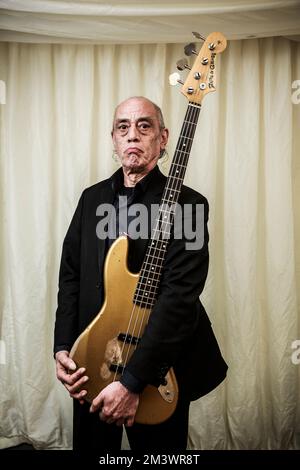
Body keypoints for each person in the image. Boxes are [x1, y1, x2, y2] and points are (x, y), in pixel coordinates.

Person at [54, 96, 227, 451]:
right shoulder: (91, 199)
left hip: (161, 369)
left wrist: (132, 383)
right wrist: (62, 347)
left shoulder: (188, 205)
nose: (132, 135)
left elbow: (180, 298)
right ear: (114, 139)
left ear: (163, 138)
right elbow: (70, 275)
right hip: (93, 360)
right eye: (123, 127)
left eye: (144, 126)